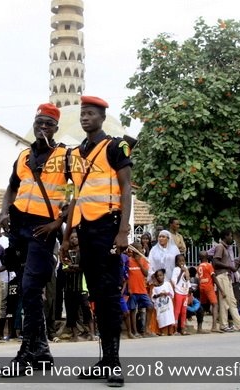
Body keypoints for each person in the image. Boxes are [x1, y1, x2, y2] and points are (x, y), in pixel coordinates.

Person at [61, 95, 132, 387]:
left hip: (109, 227)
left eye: (90, 113)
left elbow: (126, 187)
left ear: (102, 118)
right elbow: (74, 196)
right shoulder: (76, 154)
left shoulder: (115, 147)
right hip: (86, 231)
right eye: (83, 113)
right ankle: (104, 360)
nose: (85, 117)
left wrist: (124, 231)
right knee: (97, 297)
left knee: (110, 296)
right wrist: (66, 236)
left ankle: (114, 363)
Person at [1, 103, 69, 372]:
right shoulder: (23, 156)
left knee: (30, 289)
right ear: (34, 123)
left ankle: (27, 352)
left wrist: (59, 222)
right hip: (19, 228)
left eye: (48, 124)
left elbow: (77, 191)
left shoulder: (65, 155)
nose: (43, 127)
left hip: (43, 229)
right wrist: (4, 211)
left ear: (56, 128)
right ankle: (41, 352)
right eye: (39, 122)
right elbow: (11, 187)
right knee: (27, 291)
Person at [213, 228, 240, 332]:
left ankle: (239, 325)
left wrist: (238, 262)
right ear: (225, 236)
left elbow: (233, 268)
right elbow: (215, 262)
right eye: (230, 236)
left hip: (226, 276)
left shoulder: (226, 248)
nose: (231, 238)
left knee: (231, 302)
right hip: (222, 276)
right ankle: (225, 325)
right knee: (225, 302)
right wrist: (228, 266)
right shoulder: (220, 247)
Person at [126, 242, 153, 338]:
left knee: (150, 306)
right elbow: (126, 276)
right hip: (132, 290)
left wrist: (139, 262)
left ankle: (146, 329)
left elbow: (146, 274)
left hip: (142, 290)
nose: (141, 250)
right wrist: (128, 288)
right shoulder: (128, 260)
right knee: (133, 310)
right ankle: (135, 331)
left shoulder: (143, 260)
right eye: (139, 249)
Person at [196, 251, 217, 333]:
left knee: (203, 306)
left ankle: (199, 327)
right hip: (209, 287)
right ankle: (214, 326)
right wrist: (221, 289)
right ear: (207, 257)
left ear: (199, 258)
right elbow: (213, 277)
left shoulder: (199, 266)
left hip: (202, 287)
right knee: (215, 304)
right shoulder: (209, 265)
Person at [151, 269, 175, 335]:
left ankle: (170, 332)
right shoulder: (155, 288)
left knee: (169, 317)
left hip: (168, 304)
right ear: (156, 278)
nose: (159, 277)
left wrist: (167, 293)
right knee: (161, 318)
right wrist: (159, 295)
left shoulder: (167, 284)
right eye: (158, 276)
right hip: (160, 306)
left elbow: (172, 294)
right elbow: (153, 297)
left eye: (161, 275)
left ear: (164, 276)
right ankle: (162, 332)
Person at [171, 254, 191, 335]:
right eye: (180, 261)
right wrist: (181, 272)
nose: (182, 262)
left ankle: (183, 328)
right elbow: (175, 281)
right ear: (176, 262)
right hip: (178, 293)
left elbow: (187, 280)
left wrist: (186, 271)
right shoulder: (176, 270)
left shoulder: (186, 269)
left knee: (184, 312)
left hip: (185, 293)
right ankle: (175, 329)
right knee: (177, 311)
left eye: (183, 261)